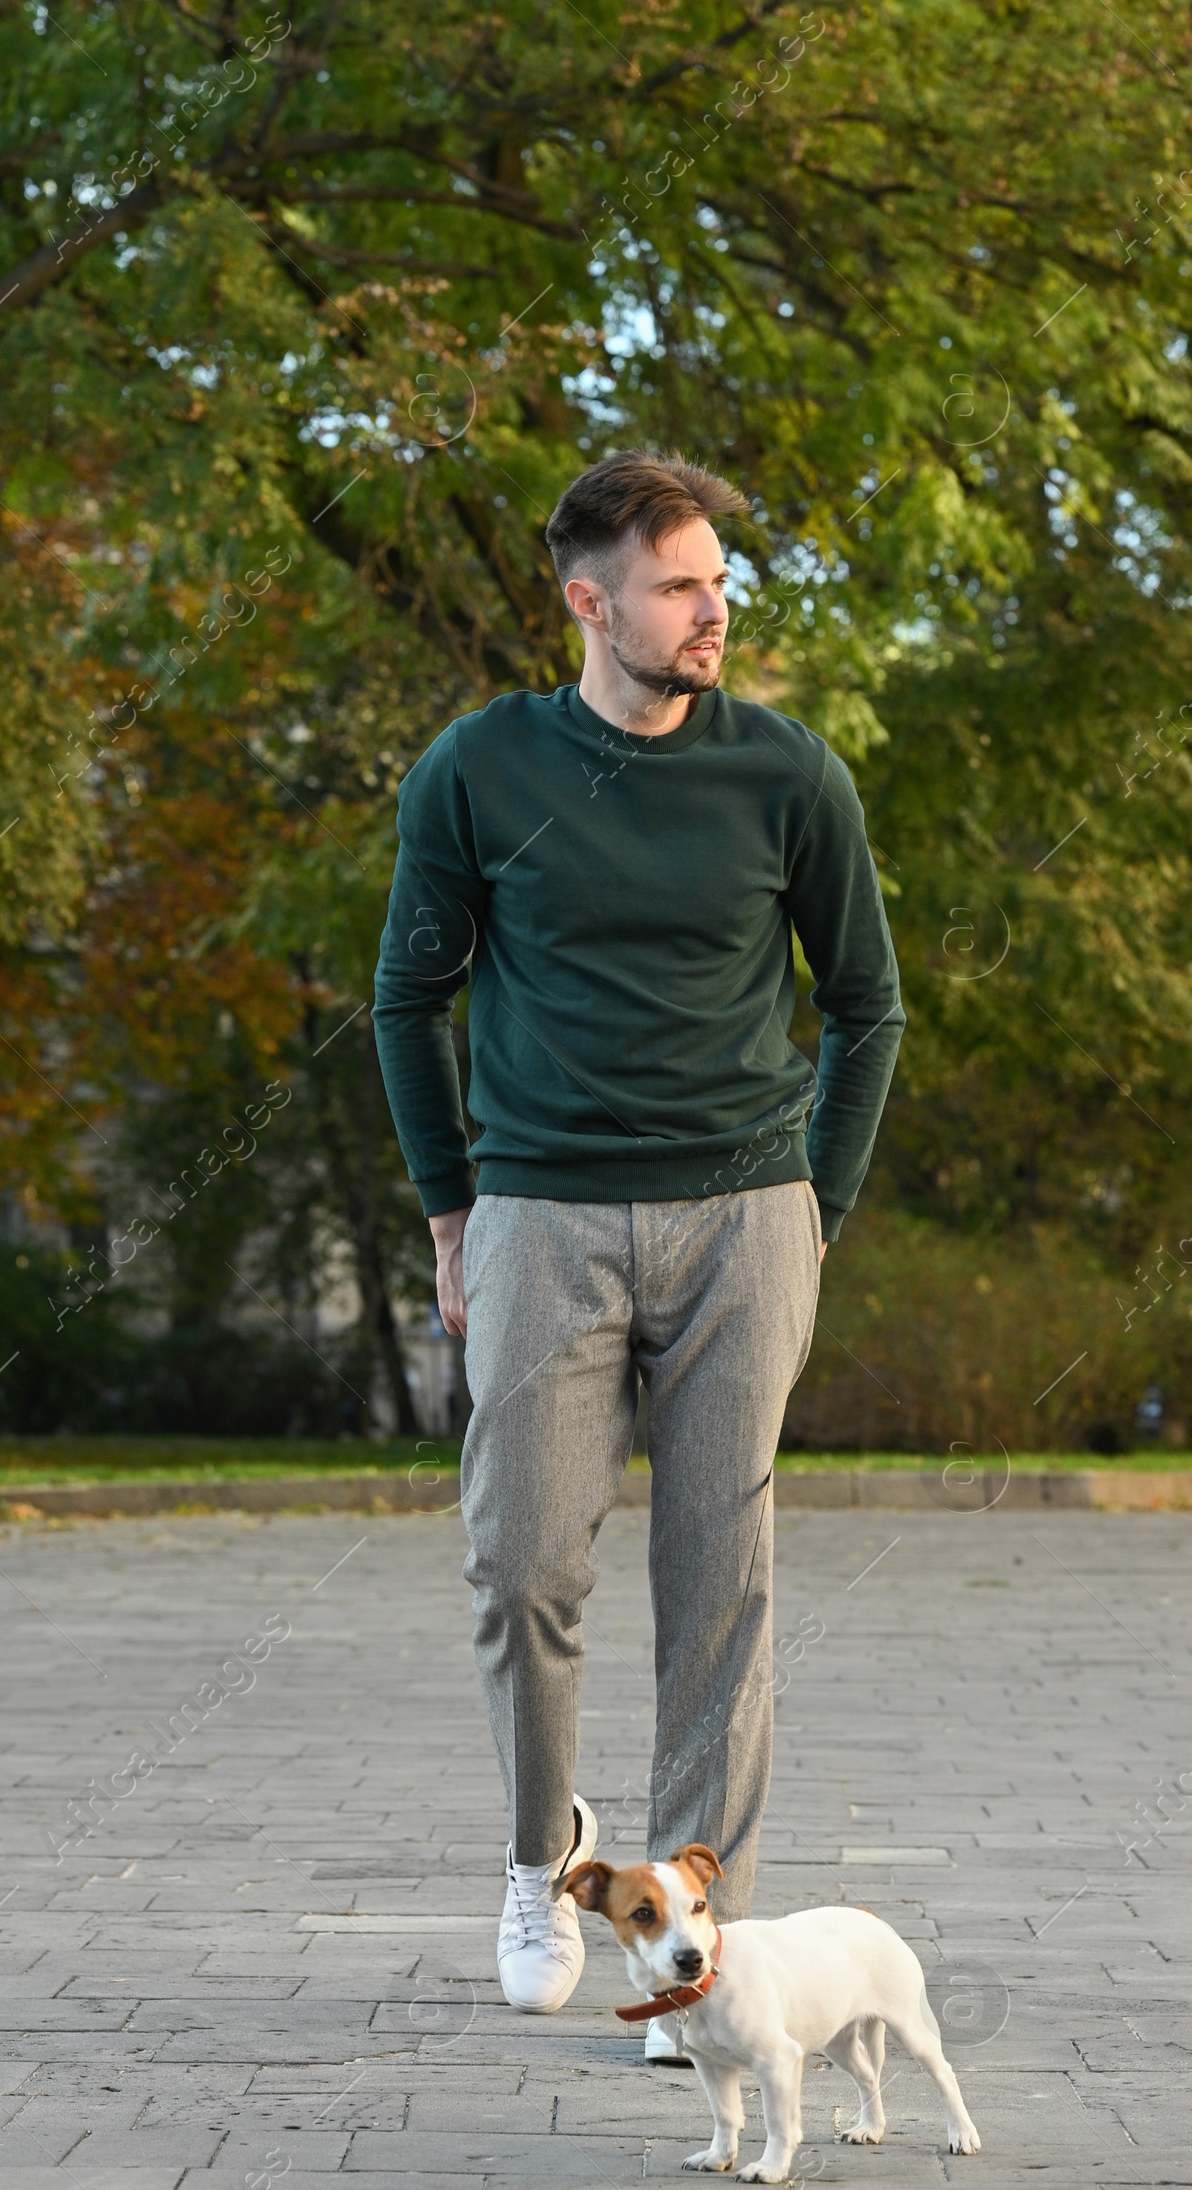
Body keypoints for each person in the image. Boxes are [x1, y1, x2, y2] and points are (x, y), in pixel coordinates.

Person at [373, 450, 903, 2042]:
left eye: (720, 581)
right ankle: (546, 1859)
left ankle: (696, 1960)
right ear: (588, 603)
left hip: (746, 1216)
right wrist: (455, 1212)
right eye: (683, 585)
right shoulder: (478, 771)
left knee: (717, 1585)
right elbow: (408, 999)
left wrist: (820, 1203)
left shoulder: (788, 774)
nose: (715, 610)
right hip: (543, 1211)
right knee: (523, 1556)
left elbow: (866, 1002)